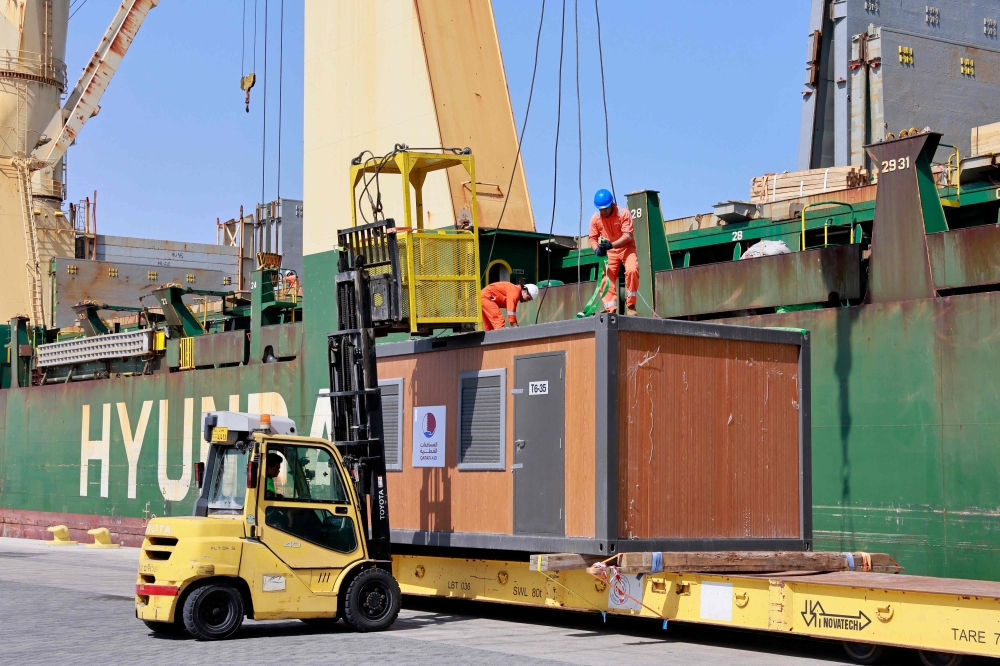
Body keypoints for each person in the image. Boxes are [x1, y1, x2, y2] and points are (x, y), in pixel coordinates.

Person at [589, 188, 639, 316]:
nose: (603, 211)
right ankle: (610, 308)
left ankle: (631, 305)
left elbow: (628, 236)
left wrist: (611, 245)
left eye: (605, 208)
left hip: (626, 247)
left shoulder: (623, 213)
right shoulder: (596, 218)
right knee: (606, 278)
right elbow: (592, 238)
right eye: (600, 209)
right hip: (609, 251)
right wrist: (596, 250)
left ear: (612, 204)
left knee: (632, 270)